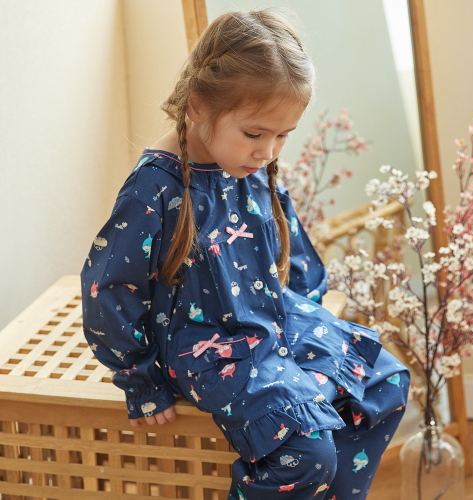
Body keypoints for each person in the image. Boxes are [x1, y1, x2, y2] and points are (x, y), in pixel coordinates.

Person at [81, 8, 410, 499]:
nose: (268, 152)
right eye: (255, 134)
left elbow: (293, 252)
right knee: (308, 454)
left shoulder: (248, 166)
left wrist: (309, 325)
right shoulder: (154, 189)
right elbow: (109, 288)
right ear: (197, 106)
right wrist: (141, 379)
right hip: (210, 347)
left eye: (283, 135)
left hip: (272, 321)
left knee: (385, 383)